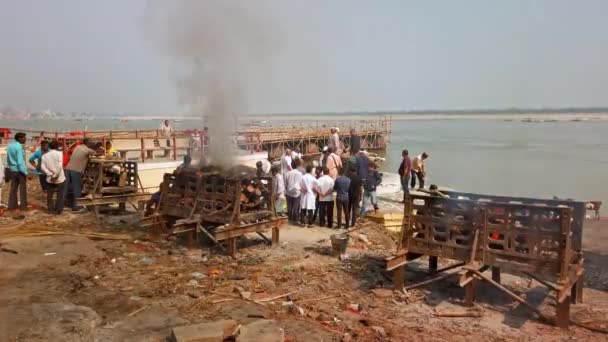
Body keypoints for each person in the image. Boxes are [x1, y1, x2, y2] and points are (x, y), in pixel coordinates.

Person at [64, 138, 96, 212]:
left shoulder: (77, 147)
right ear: (87, 143)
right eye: (91, 142)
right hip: (76, 170)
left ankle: (61, 205)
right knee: (77, 189)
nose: (92, 143)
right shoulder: (87, 150)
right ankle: (76, 206)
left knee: (65, 188)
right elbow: (96, 153)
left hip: (68, 169)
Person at [40, 140, 66, 214]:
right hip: (59, 177)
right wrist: (55, 175)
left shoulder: (44, 156)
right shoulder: (59, 153)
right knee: (60, 194)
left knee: (50, 194)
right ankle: (58, 210)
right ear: (57, 146)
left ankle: (50, 209)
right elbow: (60, 166)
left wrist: (49, 174)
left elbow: (42, 167)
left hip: (50, 178)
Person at [7, 132, 28, 212]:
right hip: (19, 171)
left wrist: (10, 167)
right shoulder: (19, 147)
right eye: (24, 138)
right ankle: (23, 207)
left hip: (13, 170)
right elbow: (20, 162)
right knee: (22, 190)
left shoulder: (10, 145)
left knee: (13, 189)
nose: (25, 139)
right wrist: (25, 172)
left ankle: (11, 206)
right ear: (19, 138)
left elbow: (8, 158)